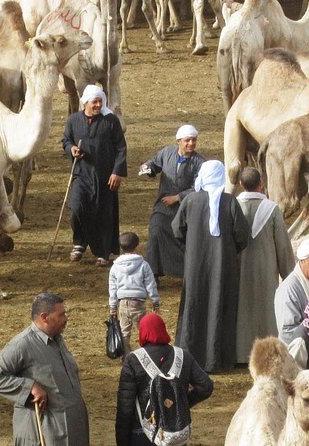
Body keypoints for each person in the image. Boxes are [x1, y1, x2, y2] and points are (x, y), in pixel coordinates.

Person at [172, 160, 250, 373]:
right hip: (224, 267)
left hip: (195, 265)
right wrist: (229, 251)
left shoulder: (190, 200)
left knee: (194, 305)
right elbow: (242, 235)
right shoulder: (229, 202)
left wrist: (192, 248)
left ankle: (189, 357)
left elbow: (177, 230)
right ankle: (217, 360)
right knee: (219, 305)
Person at [0, 292, 89, 445]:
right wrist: (30, 387)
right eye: (61, 315)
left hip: (72, 431)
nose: (66, 319)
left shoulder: (57, 338)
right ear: (44, 317)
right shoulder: (21, 345)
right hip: (44, 433)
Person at [115, 313, 213, 446]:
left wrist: (122, 441)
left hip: (143, 433)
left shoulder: (133, 360)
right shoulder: (183, 356)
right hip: (175, 433)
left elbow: (125, 407)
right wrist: (180, 403)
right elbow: (206, 386)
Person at [63, 84, 127, 266]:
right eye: (95, 102)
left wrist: (117, 172)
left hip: (105, 176)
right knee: (76, 208)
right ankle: (79, 242)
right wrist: (72, 149)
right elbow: (66, 140)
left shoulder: (111, 121)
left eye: (100, 101)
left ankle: (103, 252)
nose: (98, 105)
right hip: (81, 174)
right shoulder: (73, 120)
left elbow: (121, 148)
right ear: (85, 103)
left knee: (104, 214)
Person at [235, 167, 295, 364]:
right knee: (267, 310)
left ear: (241, 184)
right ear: (261, 184)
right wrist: (289, 274)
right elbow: (283, 245)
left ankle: (239, 353)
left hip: (238, 270)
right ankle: (266, 354)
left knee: (240, 309)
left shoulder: (232, 206)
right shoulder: (271, 209)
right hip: (266, 271)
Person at [140, 124, 206, 280]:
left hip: (186, 208)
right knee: (156, 230)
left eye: (194, 140)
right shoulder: (167, 152)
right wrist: (146, 167)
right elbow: (154, 164)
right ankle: (153, 273)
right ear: (179, 141)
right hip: (163, 206)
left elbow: (199, 187)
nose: (191, 144)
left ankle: (186, 272)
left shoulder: (200, 162)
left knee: (183, 238)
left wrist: (178, 197)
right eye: (187, 140)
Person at [109, 231, 160, 356]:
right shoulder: (143, 265)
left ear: (121, 248)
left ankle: (126, 356)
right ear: (137, 246)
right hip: (138, 302)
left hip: (123, 303)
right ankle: (148, 354)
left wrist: (112, 306)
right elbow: (150, 284)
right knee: (143, 329)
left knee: (124, 331)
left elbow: (112, 288)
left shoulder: (115, 267)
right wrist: (155, 301)